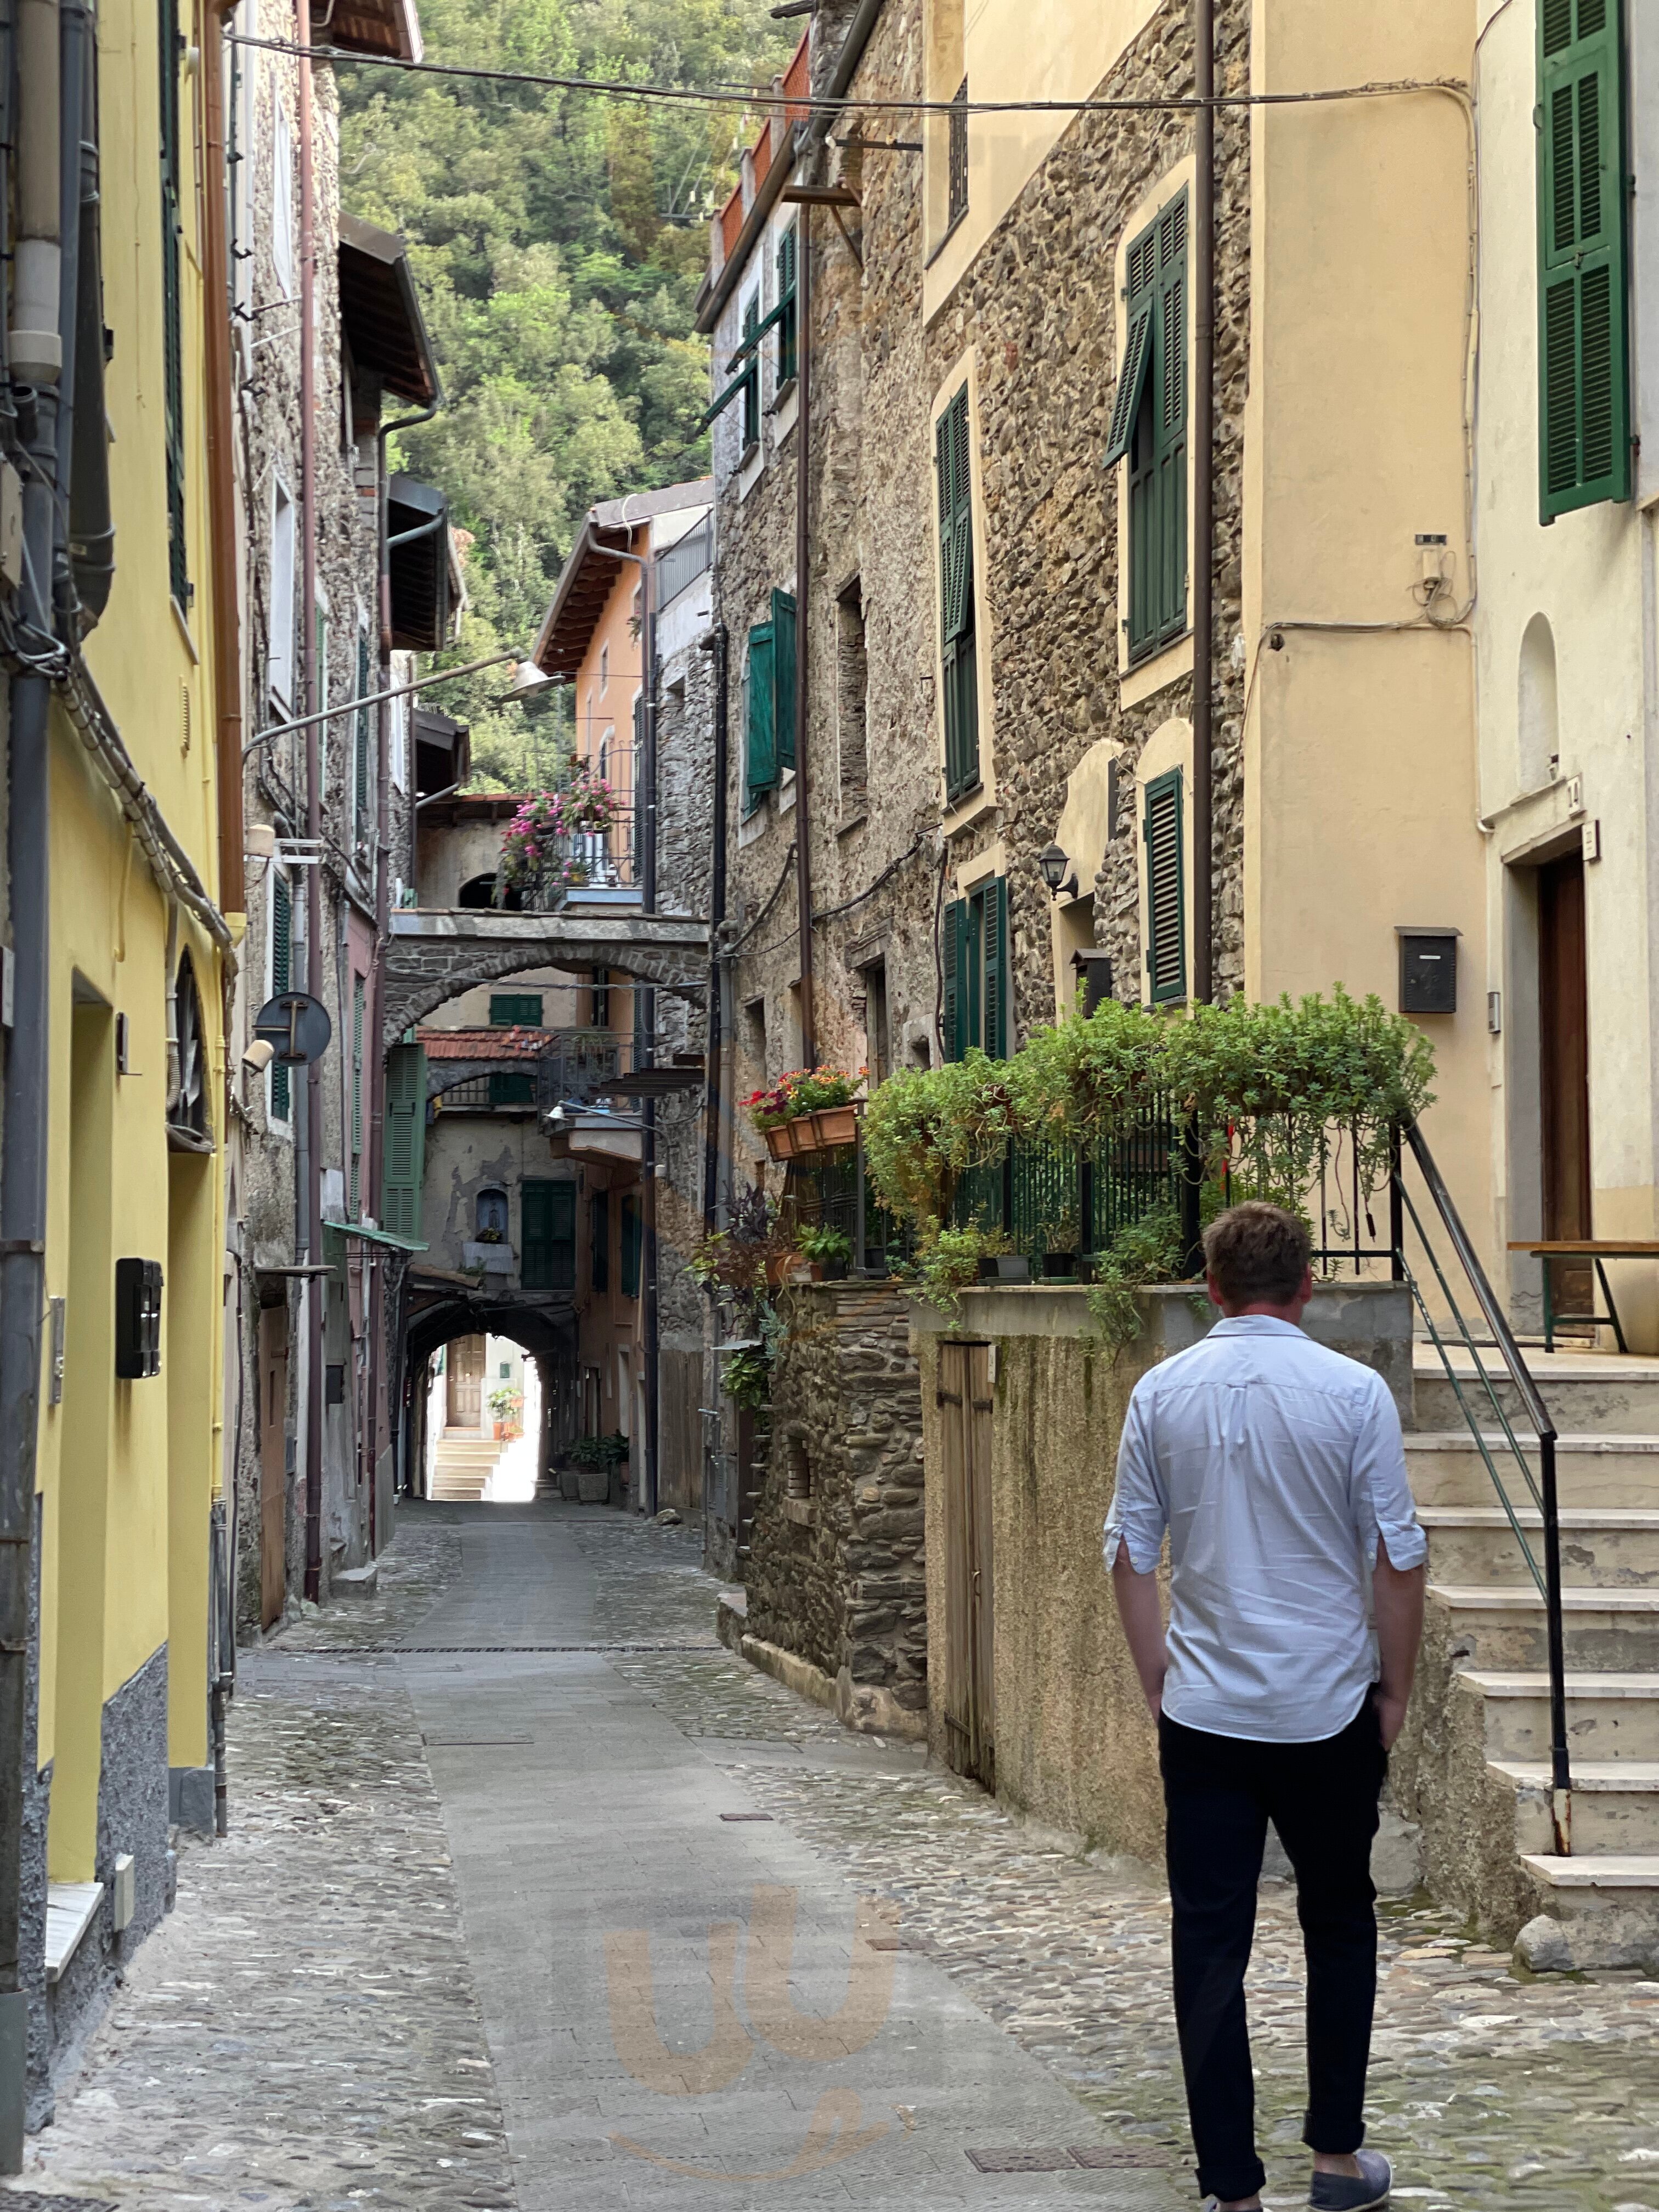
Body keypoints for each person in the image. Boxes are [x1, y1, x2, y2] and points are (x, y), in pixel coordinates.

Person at [1105, 1201, 1426, 2212]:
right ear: (1307, 1287)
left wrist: (1159, 1676)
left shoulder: (1161, 1391)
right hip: (1330, 1703)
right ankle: (1335, 2162)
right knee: (1339, 1925)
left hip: (1206, 1710)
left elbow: (1128, 1553)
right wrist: (1397, 1687)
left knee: (1209, 1942)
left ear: (1210, 1286)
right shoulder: (1355, 1392)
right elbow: (1399, 1555)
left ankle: (1230, 2191)